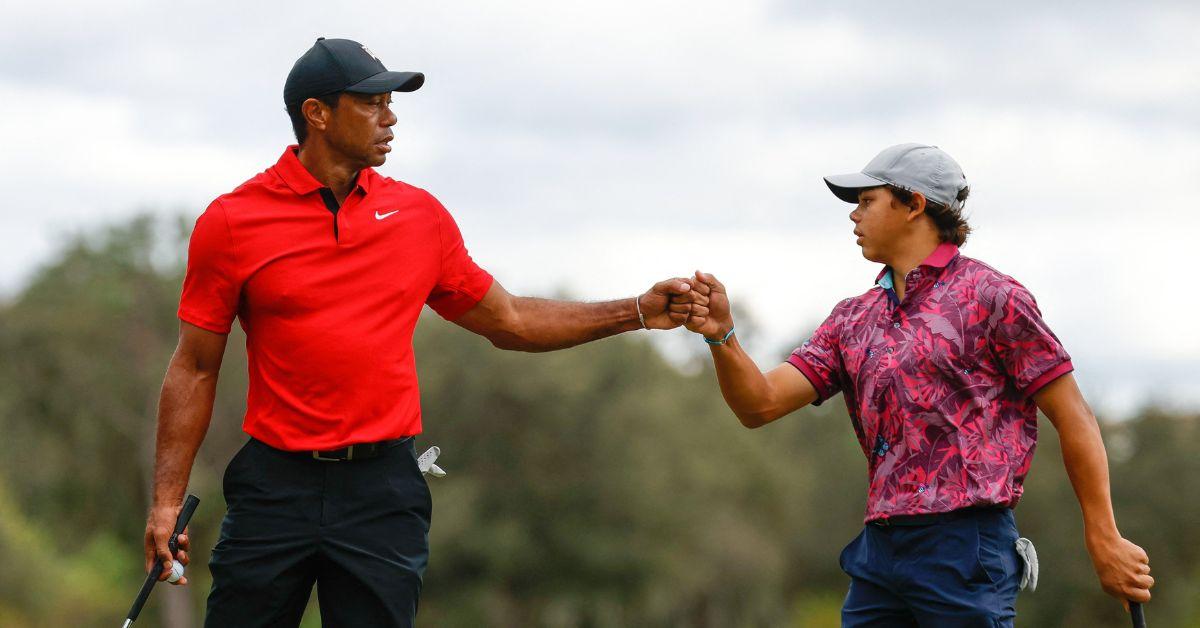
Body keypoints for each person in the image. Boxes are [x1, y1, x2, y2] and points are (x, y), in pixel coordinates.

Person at [141, 37, 696, 627]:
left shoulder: (418, 217)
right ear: (317, 114)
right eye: (373, 103)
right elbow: (195, 367)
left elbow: (509, 320)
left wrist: (636, 310)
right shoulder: (232, 221)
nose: (391, 117)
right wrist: (166, 504)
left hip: (382, 492)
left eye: (390, 102)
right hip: (275, 485)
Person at [677, 143, 1154, 626]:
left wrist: (1103, 534)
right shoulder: (853, 318)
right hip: (880, 551)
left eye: (867, 201)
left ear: (914, 204)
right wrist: (723, 337)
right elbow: (759, 404)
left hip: (966, 546)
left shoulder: (993, 298)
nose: (853, 215)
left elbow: (1075, 416)